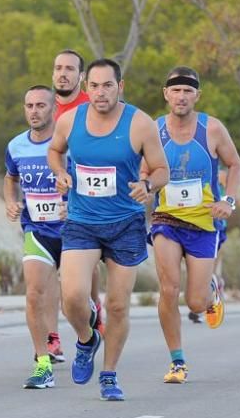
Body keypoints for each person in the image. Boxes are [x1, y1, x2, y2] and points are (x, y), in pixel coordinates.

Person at [47, 58, 169, 400]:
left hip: (125, 223)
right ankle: (87, 339)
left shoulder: (140, 124)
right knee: (72, 297)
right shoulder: (70, 121)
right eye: (95, 86)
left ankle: (110, 375)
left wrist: (148, 184)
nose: (101, 93)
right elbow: (55, 151)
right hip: (82, 221)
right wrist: (60, 172)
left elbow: (162, 169)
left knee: (117, 306)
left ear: (121, 86)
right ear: (86, 87)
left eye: (108, 86)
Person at [147, 66, 240, 383]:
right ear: (166, 94)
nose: (182, 96)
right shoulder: (153, 130)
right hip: (166, 219)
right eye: (176, 90)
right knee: (169, 289)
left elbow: (235, 163)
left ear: (197, 95)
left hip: (203, 222)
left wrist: (228, 200)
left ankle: (211, 292)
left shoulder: (212, 129)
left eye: (188, 91)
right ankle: (177, 362)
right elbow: (141, 169)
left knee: (196, 302)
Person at [3, 85, 75, 388]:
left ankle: (87, 336)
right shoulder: (16, 145)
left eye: (41, 105)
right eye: (29, 105)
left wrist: (71, 205)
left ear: (53, 110)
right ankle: (42, 362)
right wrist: (10, 201)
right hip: (37, 230)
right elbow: (11, 178)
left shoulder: (70, 145)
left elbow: (88, 181)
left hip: (74, 233)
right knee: (34, 294)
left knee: (74, 301)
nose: (34, 111)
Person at [51, 49, 104, 332]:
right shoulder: (45, 106)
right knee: (47, 269)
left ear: (81, 77)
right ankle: (52, 336)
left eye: (70, 69)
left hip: (85, 196)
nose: (63, 73)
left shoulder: (92, 104)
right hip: (49, 194)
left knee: (83, 260)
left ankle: (94, 307)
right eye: (58, 68)